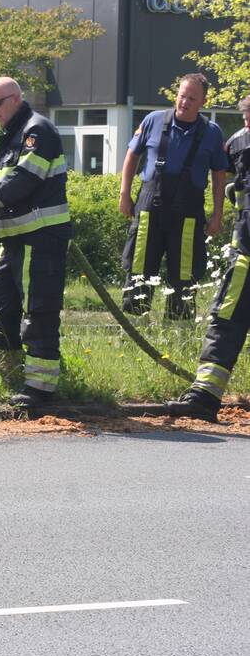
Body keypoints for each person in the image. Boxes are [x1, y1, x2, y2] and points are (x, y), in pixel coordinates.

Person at [0, 77, 72, 408]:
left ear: (15, 99)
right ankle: (2, 375)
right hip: (14, 240)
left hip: (40, 241)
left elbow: (22, 182)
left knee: (37, 313)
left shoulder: (37, 132)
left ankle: (39, 389)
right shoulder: (12, 135)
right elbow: (10, 195)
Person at [166, 95, 250, 422]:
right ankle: (203, 396)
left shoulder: (239, 141)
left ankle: (203, 397)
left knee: (226, 321)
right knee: (226, 320)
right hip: (245, 252)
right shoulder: (240, 142)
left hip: (246, 250)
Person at [119, 73, 229, 320]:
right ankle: (135, 325)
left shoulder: (211, 132)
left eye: (192, 98)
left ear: (203, 101)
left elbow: (220, 176)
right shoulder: (152, 121)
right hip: (149, 208)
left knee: (184, 273)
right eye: (181, 96)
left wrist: (217, 215)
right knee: (138, 268)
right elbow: (131, 157)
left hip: (188, 214)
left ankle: (179, 329)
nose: (184, 102)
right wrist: (125, 194)